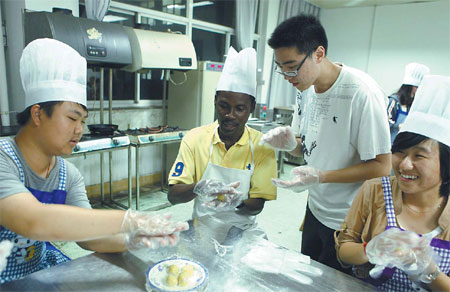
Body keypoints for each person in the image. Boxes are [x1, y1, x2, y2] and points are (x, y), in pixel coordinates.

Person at [0, 38, 188, 283]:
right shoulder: (4, 158)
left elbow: (88, 238)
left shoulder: (67, 175)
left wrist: (130, 240)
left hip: (35, 273)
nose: (79, 130)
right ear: (37, 114)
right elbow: (32, 220)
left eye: (83, 121)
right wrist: (129, 219)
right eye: (71, 118)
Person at [260, 14, 391, 272]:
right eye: (281, 67)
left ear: (318, 54)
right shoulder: (305, 88)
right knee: (308, 273)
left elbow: (382, 166)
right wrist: (290, 145)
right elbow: (306, 146)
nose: (287, 75)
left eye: (292, 66)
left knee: (334, 282)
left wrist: (322, 176)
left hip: (347, 219)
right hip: (315, 208)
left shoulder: (360, 93)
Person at [335, 75, 450, 291]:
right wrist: (371, 249)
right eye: (400, 152)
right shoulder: (376, 190)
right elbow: (344, 250)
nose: (405, 165)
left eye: (419, 156)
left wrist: (428, 270)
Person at [167, 46, 277, 230]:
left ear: (251, 107)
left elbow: (257, 206)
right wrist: (199, 187)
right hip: (202, 226)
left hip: (242, 229)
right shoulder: (194, 139)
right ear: (215, 101)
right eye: (224, 106)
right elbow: (173, 196)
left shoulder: (262, 146)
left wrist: (237, 203)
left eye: (239, 109)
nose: (230, 115)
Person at [387, 62, 430, 144]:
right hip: (389, 144)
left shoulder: (411, 105)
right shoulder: (394, 101)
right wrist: (399, 126)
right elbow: (384, 122)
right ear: (412, 87)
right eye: (417, 88)